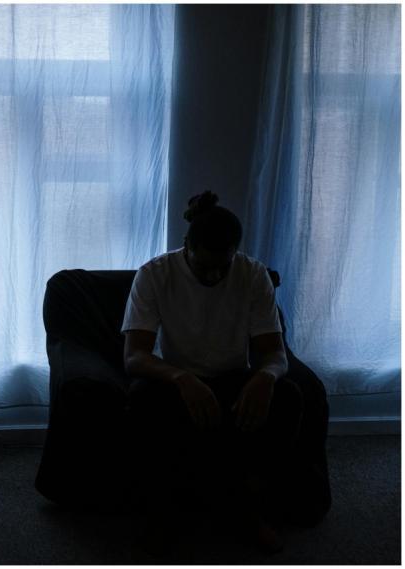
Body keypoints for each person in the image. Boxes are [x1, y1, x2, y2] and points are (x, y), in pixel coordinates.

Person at [121, 191, 303, 556]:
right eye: (205, 267)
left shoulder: (253, 275)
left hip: (234, 377)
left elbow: (275, 354)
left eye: (223, 265)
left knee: (290, 397)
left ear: (235, 251)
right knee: (141, 399)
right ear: (187, 246)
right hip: (178, 378)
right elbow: (134, 356)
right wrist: (181, 378)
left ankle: (249, 513)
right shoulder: (154, 274)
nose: (215, 275)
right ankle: (163, 517)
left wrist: (265, 377)